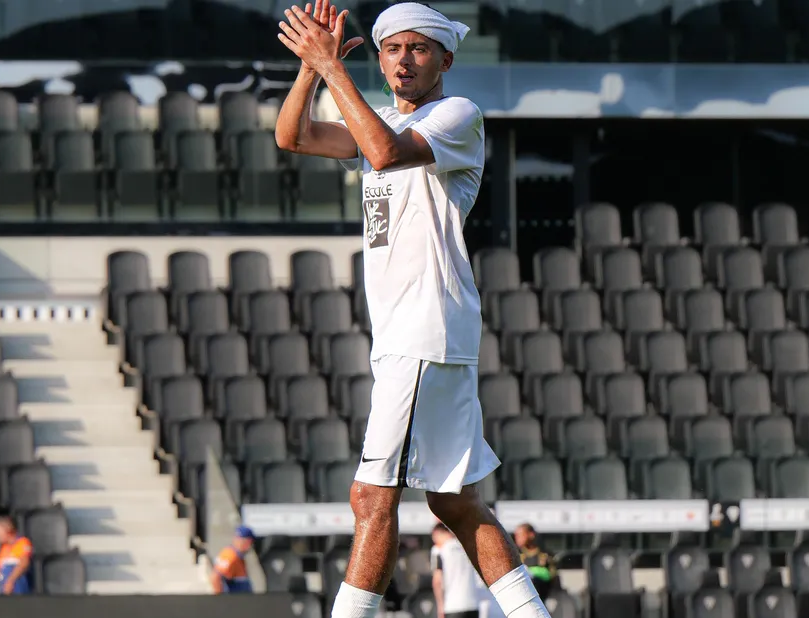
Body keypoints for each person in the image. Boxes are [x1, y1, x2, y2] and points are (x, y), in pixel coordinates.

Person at [274, 2, 551, 617]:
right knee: (455, 504)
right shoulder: (378, 123)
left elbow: (384, 152)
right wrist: (311, 69)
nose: (404, 59)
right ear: (378, 58)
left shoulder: (456, 115)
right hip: (420, 335)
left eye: (418, 49)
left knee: (371, 497)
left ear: (444, 60)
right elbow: (291, 135)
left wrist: (332, 70)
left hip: (422, 331)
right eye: (392, 49)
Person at [513, 525, 557, 602]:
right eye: (516, 535)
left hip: (543, 597)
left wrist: (534, 573)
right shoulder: (516, 555)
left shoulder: (545, 554)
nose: (517, 538)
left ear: (531, 535)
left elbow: (552, 574)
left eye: (520, 535)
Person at [210, 525, 255, 594]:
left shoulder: (238, 556)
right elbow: (215, 577)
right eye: (250, 542)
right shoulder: (230, 555)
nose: (250, 545)